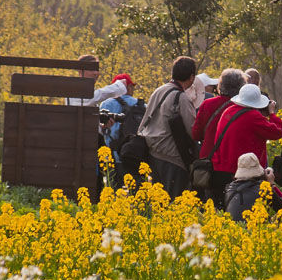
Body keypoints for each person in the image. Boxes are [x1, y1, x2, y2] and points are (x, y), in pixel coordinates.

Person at [211, 83, 282, 202]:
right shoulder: (253, 115)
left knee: (225, 209)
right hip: (242, 172)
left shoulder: (228, 111)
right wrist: (271, 114)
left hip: (220, 168)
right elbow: (278, 132)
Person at [136, 56, 198, 198]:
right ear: (192, 77)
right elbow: (193, 131)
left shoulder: (159, 90)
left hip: (152, 151)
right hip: (171, 156)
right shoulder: (181, 98)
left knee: (156, 200)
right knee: (171, 200)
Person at [192, 68, 246, 202]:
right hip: (236, 164)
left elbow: (196, 134)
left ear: (220, 86)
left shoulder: (207, 104)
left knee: (212, 203)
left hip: (210, 162)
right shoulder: (245, 107)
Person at [99, 74, 141, 187]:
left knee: (112, 191)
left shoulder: (106, 104)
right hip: (135, 156)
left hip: (111, 156)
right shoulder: (141, 105)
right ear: (129, 87)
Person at [224, 152, 282, 222]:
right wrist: (271, 183)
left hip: (235, 230)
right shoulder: (263, 188)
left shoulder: (229, 189)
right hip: (256, 229)